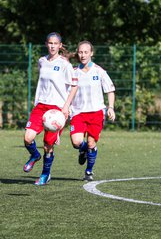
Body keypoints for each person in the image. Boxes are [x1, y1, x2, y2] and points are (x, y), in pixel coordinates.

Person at [23, 32, 78, 186]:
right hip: (40, 106)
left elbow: (74, 86)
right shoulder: (42, 61)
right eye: (50, 43)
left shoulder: (65, 64)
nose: (52, 46)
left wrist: (66, 107)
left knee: (48, 144)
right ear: (46, 44)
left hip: (57, 109)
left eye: (55, 43)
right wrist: (36, 100)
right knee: (28, 138)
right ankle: (34, 156)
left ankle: (45, 174)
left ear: (60, 46)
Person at [69, 40, 116, 181]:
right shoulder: (73, 72)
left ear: (91, 53)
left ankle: (88, 172)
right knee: (76, 142)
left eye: (86, 52)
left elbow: (110, 90)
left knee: (91, 143)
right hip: (78, 112)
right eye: (80, 52)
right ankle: (82, 150)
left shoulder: (99, 71)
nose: (83, 55)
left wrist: (111, 108)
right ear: (78, 53)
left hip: (96, 113)